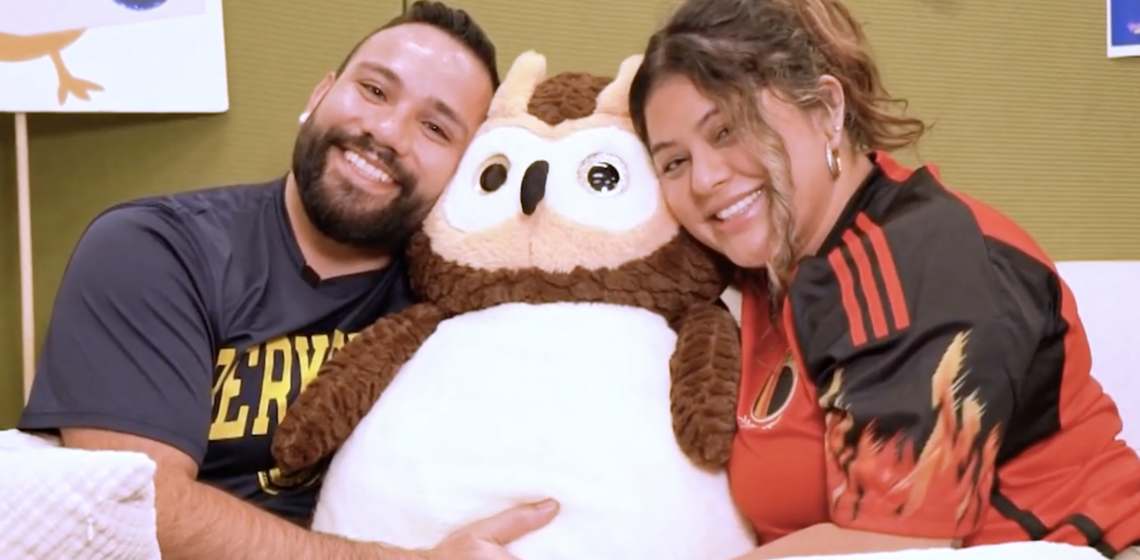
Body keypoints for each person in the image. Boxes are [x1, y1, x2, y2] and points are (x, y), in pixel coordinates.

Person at [17, 2, 559, 559]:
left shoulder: (458, 307)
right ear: (318, 95)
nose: (388, 131)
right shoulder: (153, 249)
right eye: (374, 91)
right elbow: (140, 509)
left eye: (435, 127)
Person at [626, 0, 1140, 558]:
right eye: (673, 162)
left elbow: (891, 546)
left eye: (727, 130)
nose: (704, 178)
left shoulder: (923, 259)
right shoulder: (761, 269)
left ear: (826, 108)